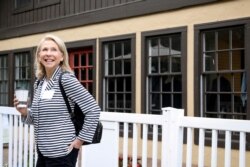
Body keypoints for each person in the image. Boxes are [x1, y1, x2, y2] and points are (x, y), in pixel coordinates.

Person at [13, 34, 101, 167]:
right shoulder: (39, 83)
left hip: (62, 154)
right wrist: (25, 112)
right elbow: (39, 119)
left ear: (62, 56)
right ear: (38, 56)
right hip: (43, 152)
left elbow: (93, 110)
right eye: (44, 50)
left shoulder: (65, 79)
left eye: (54, 49)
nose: (48, 54)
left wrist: (79, 141)